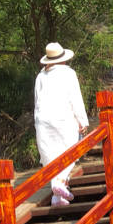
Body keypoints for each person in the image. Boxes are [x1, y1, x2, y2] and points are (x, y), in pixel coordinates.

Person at [34, 42, 89, 207]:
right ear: (63, 59)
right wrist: (82, 120)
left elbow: (37, 100)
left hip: (42, 119)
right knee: (70, 150)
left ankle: (57, 197)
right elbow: (75, 98)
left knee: (50, 155)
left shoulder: (40, 75)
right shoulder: (68, 73)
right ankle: (59, 183)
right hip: (62, 116)